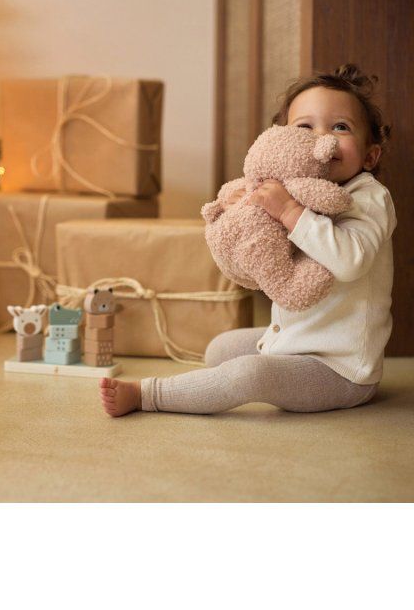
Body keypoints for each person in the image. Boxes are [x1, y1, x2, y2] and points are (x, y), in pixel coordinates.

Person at [100, 64, 395, 417]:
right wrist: (245, 212)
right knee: (219, 348)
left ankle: (148, 395)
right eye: (305, 127)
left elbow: (351, 262)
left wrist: (289, 212)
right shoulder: (290, 188)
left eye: (340, 127)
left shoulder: (368, 198)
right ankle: (226, 378)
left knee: (248, 375)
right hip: (294, 340)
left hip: (339, 368)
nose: (321, 138)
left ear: (370, 155)